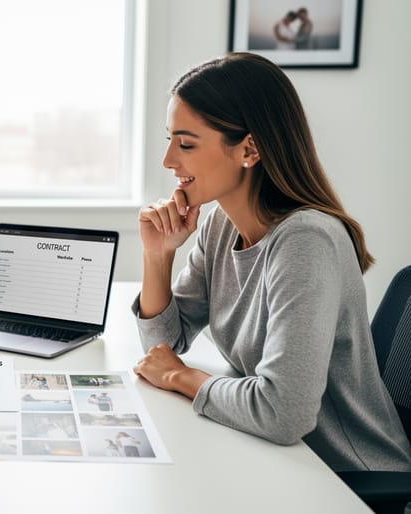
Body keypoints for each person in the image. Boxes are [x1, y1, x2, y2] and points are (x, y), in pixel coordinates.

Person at [131, 52, 411, 473]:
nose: (169, 160)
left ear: (249, 149)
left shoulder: (306, 241)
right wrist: (158, 255)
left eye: (186, 143)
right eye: (169, 139)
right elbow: (163, 349)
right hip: (274, 455)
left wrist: (180, 378)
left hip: (343, 475)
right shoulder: (221, 225)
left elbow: (284, 413)